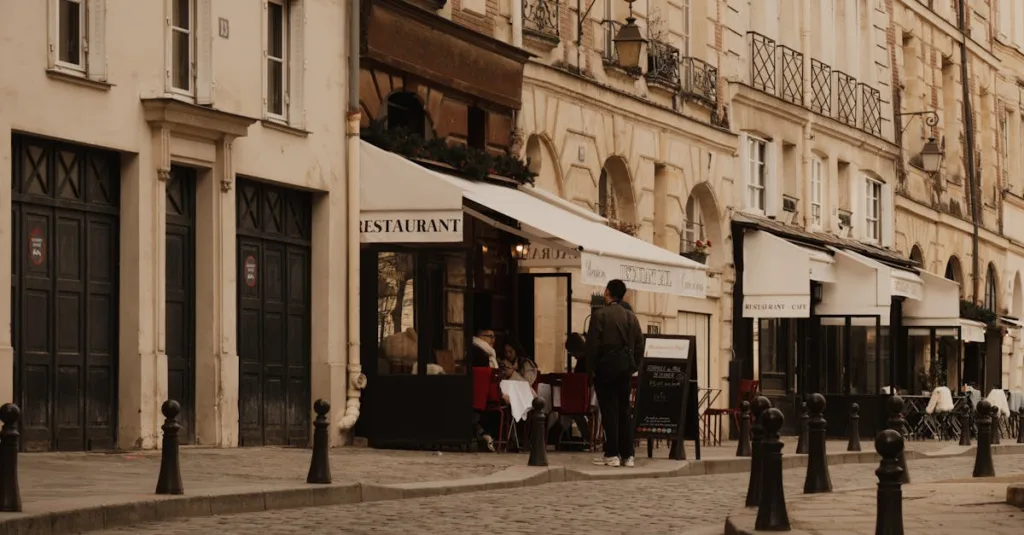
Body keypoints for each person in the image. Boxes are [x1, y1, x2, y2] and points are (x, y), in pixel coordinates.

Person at [586, 279, 644, 467]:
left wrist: (590, 369)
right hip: (625, 370)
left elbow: (593, 345)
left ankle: (611, 453)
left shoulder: (600, 315)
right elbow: (639, 345)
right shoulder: (631, 317)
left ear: (607, 292)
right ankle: (628, 455)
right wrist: (633, 365)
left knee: (609, 411)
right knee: (624, 411)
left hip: (605, 369)